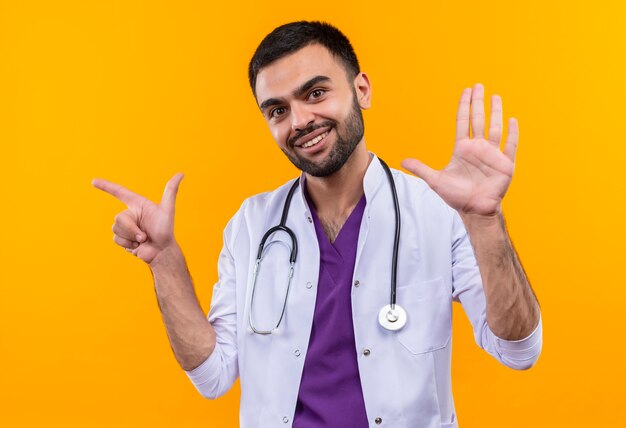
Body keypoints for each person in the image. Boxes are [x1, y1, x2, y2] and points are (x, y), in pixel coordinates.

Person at [93, 21, 542, 428]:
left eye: (315, 93)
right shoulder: (252, 226)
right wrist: (165, 260)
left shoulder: (437, 212)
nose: (301, 120)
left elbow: (519, 351)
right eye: (277, 110)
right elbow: (212, 376)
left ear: (361, 89)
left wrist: (485, 222)